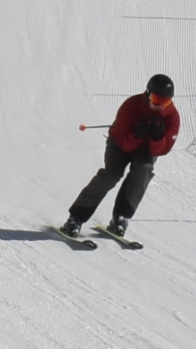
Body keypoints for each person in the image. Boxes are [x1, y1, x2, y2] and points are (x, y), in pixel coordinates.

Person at [61, 74, 180, 238]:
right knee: (111, 174)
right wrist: (137, 133)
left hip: (146, 150)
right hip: (119, 144)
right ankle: (76, 218)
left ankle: (121, 217)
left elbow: (162, 150)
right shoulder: (131, 105)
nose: (160, 105)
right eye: (156, 99)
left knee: (143, 172)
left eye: (165, 102)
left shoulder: (172, 117)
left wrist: (157, 138)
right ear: (147, 94)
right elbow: (122, 143)